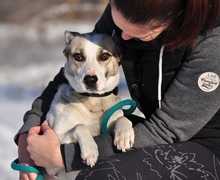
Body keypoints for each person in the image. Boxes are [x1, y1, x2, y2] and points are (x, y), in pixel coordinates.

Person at [15, 0, 220, 179]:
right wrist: (28, 136)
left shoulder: (211, 44)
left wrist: (64, 155)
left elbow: (167, 130)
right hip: (156, 132)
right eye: (119, 26)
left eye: (137, 33)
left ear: (173, 19)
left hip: (207, 148)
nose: (122, 37)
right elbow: (73, 75)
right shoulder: (125, 11)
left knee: (101, 174)